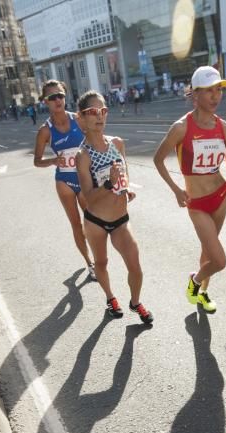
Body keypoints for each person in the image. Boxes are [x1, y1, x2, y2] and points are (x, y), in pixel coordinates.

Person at [153, 66, 226, 313]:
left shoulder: (225, 128)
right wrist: (175, 189)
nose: (216, 96)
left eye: (218, 90)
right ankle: (194, 282)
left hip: (221, 195)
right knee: (219, 260)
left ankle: (202, 293)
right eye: (208, 91)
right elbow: (158, 159)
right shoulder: (181, 127)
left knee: (208, 252)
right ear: (194, 94)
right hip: (196, 203)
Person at [74, 91, 153, 324]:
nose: (100, 116)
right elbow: (88, 197)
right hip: (95, 221)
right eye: (93, 112)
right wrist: (108, 183)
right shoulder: (83, 156)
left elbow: (123, 172)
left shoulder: (117, 143)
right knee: (101, 263)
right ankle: (110, 298)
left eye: (103, 110)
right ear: (82, 119)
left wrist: (124, 188)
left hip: (121, 220)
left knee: (135, 267)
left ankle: (135, 302)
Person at [33, 80, 96, 280]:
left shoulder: (78, 119)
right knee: (76, 224)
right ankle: (90, 263)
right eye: (52, 97)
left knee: (92, 221)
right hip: (64, 180)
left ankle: (98, 256)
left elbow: (94, 140)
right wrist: (52, 160)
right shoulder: (45, 130)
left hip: (84, 177)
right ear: (45, 102)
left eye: (60, 95)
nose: (58, 100)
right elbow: (37, 161)